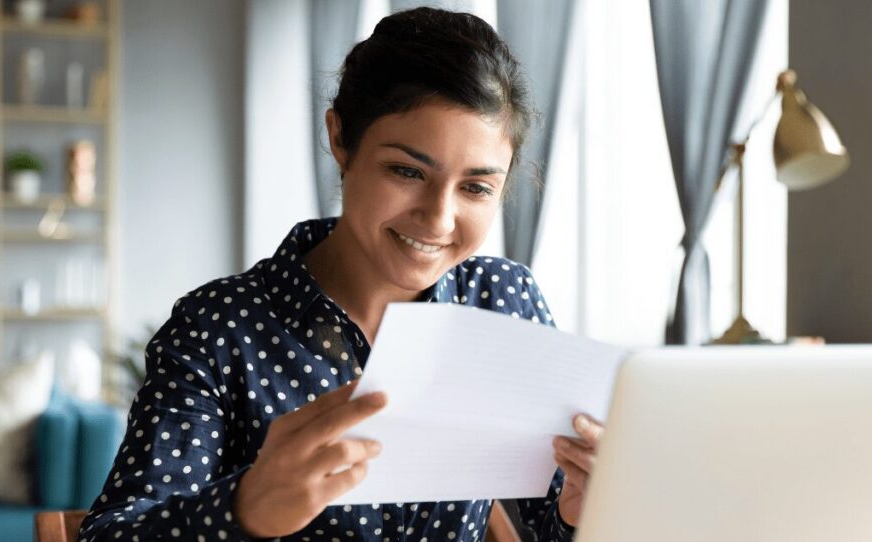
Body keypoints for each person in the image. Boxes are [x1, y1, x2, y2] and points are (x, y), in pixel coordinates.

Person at [79, 7, 604, 542]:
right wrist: (243, 508)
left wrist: (580, 510)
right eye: (407, 171)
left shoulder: (504, 301)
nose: (439, 219)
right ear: (340, 139)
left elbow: (549, 522)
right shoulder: (218, 327)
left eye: (476, 188)